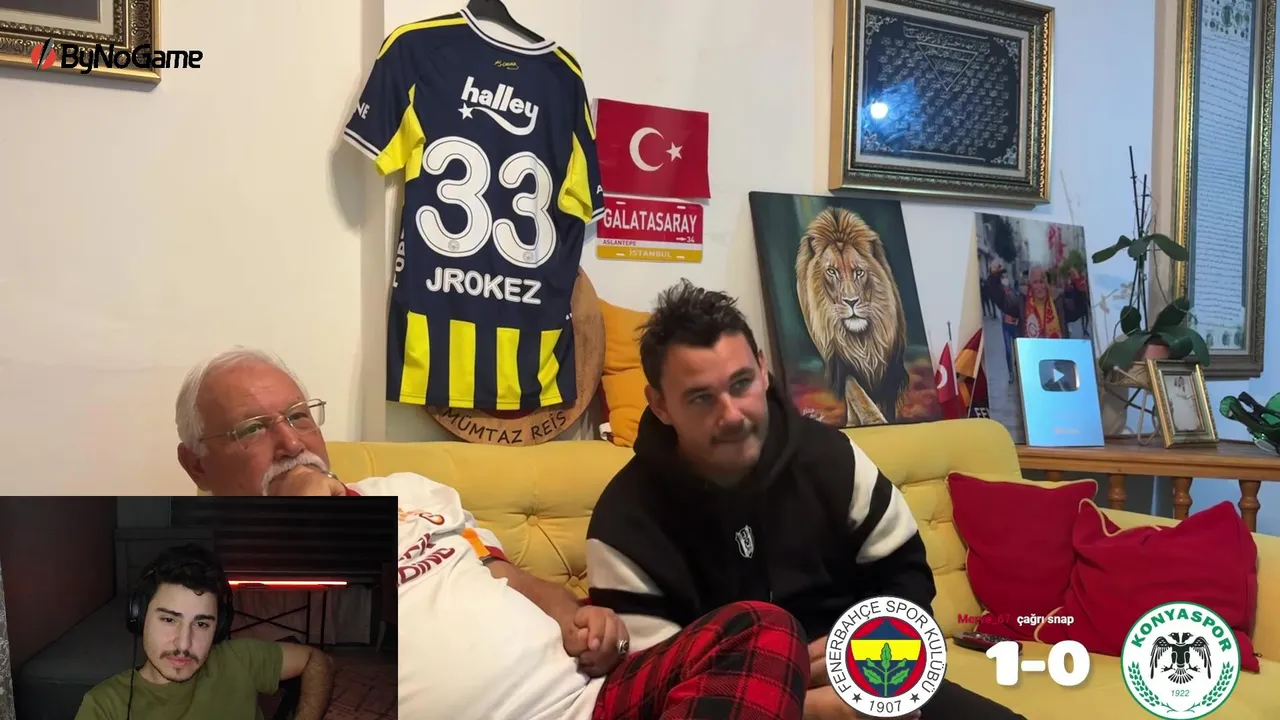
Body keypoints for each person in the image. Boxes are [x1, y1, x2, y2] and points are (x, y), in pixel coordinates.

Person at [174, 347, 812, 719]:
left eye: (297, 416)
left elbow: (506, 576)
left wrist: (580, 618)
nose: (291, 442)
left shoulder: (414, 490)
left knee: (762, 628)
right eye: (252, 429)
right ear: (197, 465)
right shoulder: (204, 571)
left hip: (588, 703)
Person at [584, 281, 1027, 720]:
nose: (731, 415)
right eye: (701, 398)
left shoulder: (832, 458)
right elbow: (650, 692)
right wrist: (812, 710)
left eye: (741, 384)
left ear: (763, 370)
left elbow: (908, 581)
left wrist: (869, 664)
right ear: (660, 405)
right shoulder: (623, 524)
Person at [75, 543, 333, 720]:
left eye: (201, 624)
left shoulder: (239, 658)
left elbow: (318, 660)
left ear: (218, 628)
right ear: (140, 618)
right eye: (169, 619)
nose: (184, 644)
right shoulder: (104, 706)